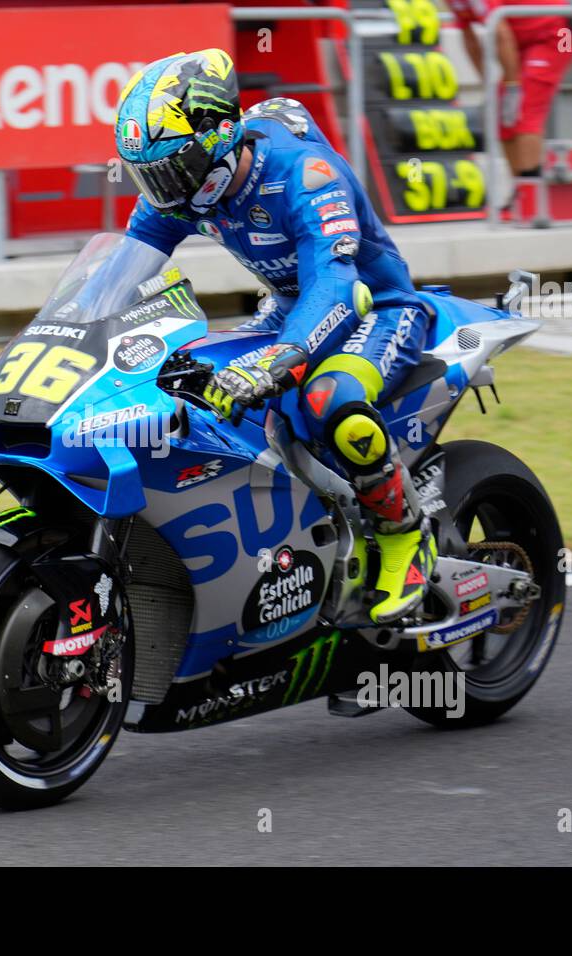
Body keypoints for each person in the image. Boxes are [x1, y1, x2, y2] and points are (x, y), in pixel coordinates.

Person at [113, 49, 434, 625]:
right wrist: (58, 332)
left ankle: (404, 534)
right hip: (286, 313)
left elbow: (336, 284)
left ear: (221, 137)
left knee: (328, 400)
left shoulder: (306, 176)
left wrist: (284, 354)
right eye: (148, 173)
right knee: (179, 381)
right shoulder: (185, 186)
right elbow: (120, 273)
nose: (159, 189)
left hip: (376, 309)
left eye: (168, 171)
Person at [448, 0, 572, 205]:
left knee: (524, 108)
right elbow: (470, 38)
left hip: (561, 36)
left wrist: (512, 86)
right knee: (504, 114)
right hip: (523, 44)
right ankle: (522, 193)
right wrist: (489, 86)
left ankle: (532, 199)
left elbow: (501, 33)